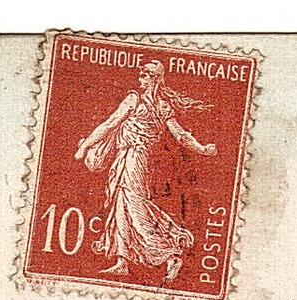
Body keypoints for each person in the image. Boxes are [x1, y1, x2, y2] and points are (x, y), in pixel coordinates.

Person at [74, 59, 218, 284]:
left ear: (154, 79)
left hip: (134, 159)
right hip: (131, 159)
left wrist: (84, 146)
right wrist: (202, 148)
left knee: (133, 206)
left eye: (144, 76)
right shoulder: (160, 106)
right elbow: (179, 135)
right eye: (140, 75)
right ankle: (122, 262)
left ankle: (169, 253)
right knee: (122, 207)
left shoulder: (138, 101)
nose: (140, 80)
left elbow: (111, 124)